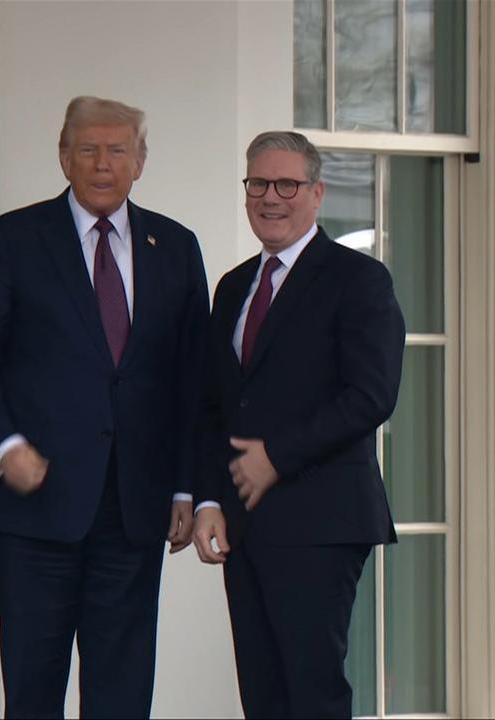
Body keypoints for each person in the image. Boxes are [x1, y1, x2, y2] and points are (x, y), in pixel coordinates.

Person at [0, 96, 208, 719]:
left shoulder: (174, 246)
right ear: (63, 157)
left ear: (140, 162)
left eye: (117, 150)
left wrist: (186, 487)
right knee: (33, 692)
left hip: (134, 511)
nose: (102, 164)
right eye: (88, 149)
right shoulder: (13, 240)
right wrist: (5, 445)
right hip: (35, 512)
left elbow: (192, 382)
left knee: (122, 695)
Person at [193, 131, 405, 719]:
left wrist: (276, 456)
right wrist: (209, 496)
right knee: (262, 695)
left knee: (311, 694)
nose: (270, 197)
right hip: (243, 524)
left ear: (317, 193)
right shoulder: (234, 286)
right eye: (258, 183)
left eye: (286, 184)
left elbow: (371, 395)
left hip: (321, 520)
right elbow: (214, 404)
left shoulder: (358, 280)